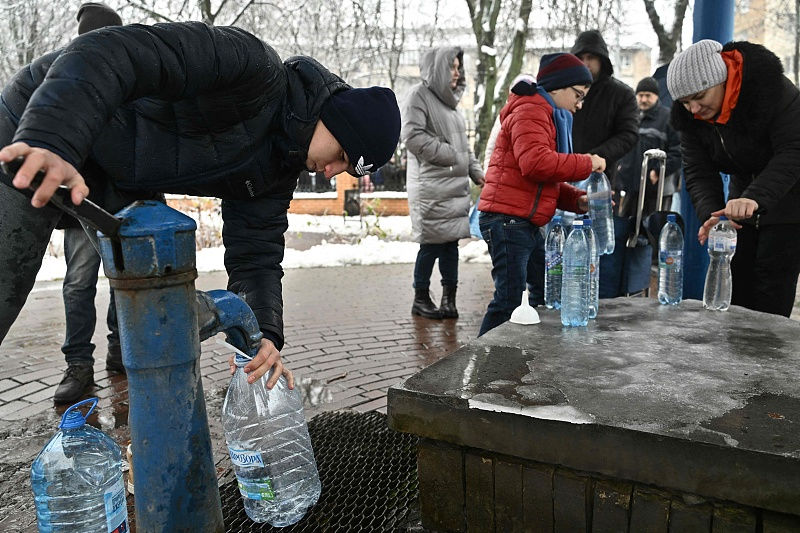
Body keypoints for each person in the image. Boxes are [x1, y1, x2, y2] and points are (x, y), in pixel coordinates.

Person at [0, 22, 401, 389]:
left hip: (114, 179)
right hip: (38, 128)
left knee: (153, 303)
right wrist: (54, 138)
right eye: (343, 155)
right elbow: (110, 51)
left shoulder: (277, 170)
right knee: (7, 284)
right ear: (335, 118)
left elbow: (256, 258)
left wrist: (262, 337)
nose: (332, 173)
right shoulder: (250, 68)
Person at [667, 39, 800, 318]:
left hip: (789, 199)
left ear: (722, 80)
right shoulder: (690, 118)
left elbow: (793, 151)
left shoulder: (774, 91)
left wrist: (754, 197)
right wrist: (712, 215)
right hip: (742, 198)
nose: (693, 109)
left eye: (700, 97)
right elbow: (698, 171)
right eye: (684, 102)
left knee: (771, 295)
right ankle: (734, 358)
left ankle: (767, 356)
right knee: (734, 288)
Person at [477, 53, 606, 335]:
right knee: (509, 300)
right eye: (578, 94)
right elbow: (535, 163)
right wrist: (587, 161)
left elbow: (543, 182)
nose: (579, 104)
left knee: (544, 289)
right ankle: (481, 365)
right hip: (508, 219)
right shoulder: (531, 110)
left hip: (523, 220)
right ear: (558, 87)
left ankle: (526, 353)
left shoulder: (546, 114)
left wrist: (577, 200)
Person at [53, 2, 126, 404]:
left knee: (121, 281)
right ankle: (78, 365)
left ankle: (119, 350)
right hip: (79, 202)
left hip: (122, 203)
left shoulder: (131, 81)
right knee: (78, 284)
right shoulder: (66, 78)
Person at [402, 47, 485, 319]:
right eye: (452, 66)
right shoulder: (419, 96)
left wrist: (475, 171)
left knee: (450, 246)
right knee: (430, 245)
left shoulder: (452, 107)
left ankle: (450, 300)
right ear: (438, 68)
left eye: (459, 67)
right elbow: (412, 137)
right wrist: (451, 154)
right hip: (430, 187)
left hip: (453, 188)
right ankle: (421, 298)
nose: (457, 72)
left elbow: (465, 148)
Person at [570, 30, 638, 191]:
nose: (585, 63)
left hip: (600, 177)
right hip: (563, 173)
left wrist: (594, 157)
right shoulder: (564, 91)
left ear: (602, 60)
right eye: (580, 58)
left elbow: (629, 134)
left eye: (591, 58)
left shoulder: (622, 94)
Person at [615, 76, 681, 219]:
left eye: (648, 96)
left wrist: (658, 171)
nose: (643, 100)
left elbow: (678, 151)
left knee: (653, 230)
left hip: (658, 190)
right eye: (640, 95)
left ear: (656, 96)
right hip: (632, 188)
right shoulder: (632, 117)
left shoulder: (668, 118)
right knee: (626, 227)